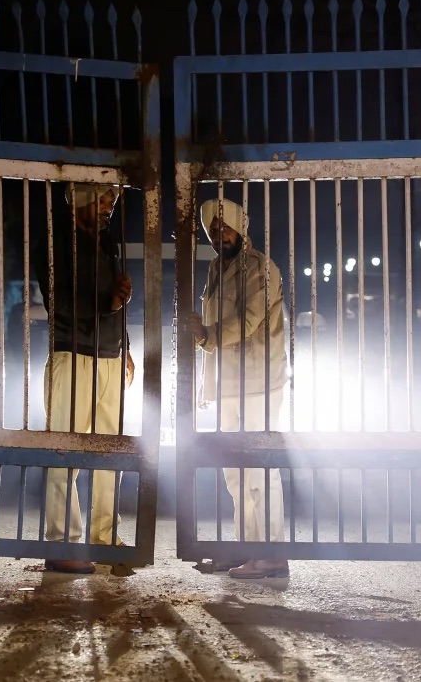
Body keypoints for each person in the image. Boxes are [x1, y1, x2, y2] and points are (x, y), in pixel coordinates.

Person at [34, 182, 134, 574]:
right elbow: (61, 300)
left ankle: (105, 538)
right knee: (64, 453)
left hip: (108, 357)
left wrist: (124, 344)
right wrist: (109, 305)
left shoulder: (106, 245)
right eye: (103, 198)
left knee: (111, 453)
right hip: (73, 355)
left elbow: (114, 300)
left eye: (112, 199)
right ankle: (62, 543)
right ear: (80, 200)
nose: (109, 206)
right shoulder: (58, 244)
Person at [189, 198, 289, 579]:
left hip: (259, 382)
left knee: (260, 470)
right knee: (235, 473)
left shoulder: (260, 268)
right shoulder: (217, 268)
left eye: (224, 226)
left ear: (239, 227)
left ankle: (273, 554)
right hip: (228, 383)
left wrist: (205, 336)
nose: (219, 235)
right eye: (212, 229)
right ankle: (246, 548)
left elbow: (247, 321)